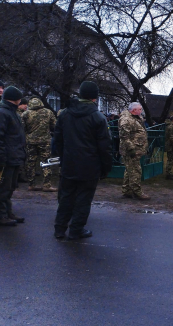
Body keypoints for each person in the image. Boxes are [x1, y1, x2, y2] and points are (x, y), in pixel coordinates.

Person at [53, 81, 112, 239]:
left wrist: (63, 158)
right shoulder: (98, 117)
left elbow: (57, 140)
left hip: (69, 163)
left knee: (66, 196)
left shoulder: (65, 113)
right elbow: (105, 146)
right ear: (95, 98)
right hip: (89, 165)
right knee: (83, 198)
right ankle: (76, 230)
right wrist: (106, 168)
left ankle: (59, 229)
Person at [0, 86, 26, 226]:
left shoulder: (12, 112)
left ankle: (8, 212)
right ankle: (0, 215)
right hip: (6, 158)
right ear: (15, 98)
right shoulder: (2, 113)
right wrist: (1, 158)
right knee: (3, 188)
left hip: (14, 156)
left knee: (11, 187)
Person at [22, 97, 57, 192]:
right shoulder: (48, 112)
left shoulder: (25, 114)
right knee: (46, 162)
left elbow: (22, 128)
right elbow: (55, 126)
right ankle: (47, 185)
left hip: (30, 142)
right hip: (45, 141)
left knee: (30, 162)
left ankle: (31, 184)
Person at [119, 102, 150, 200]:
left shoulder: (136, 117)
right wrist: (131, 149)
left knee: (129, 170)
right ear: (133, 110)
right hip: (131, 150)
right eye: (140, 109)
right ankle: (137, 192)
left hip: (137, 148)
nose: (141, 111)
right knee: (135, 170)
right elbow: (124, 137)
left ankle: (127, 190)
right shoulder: (126, 120)